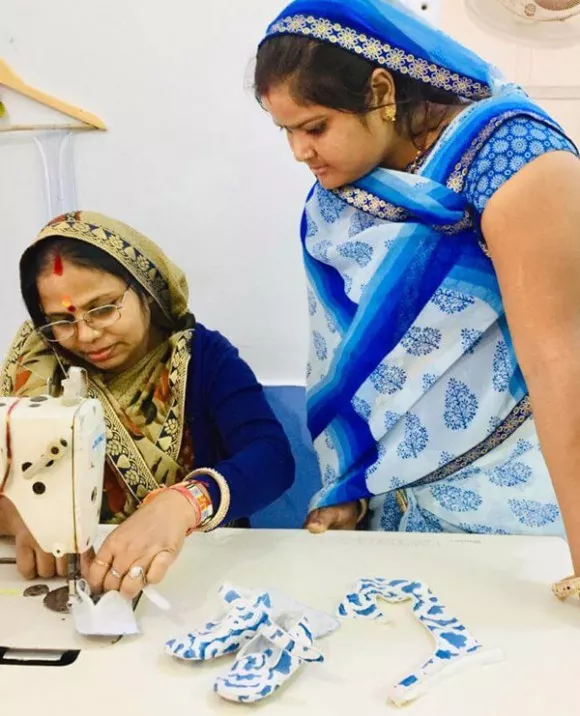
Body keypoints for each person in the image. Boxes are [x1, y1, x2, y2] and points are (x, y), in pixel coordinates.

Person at [254, 0, 580, 575]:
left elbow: (564, 370)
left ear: (381, 92)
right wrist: (348, 485)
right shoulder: (340, 197)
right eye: (285, 131)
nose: (298, 152)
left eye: (314, 127)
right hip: (393, 515)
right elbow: (351, 363)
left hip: (517, 514)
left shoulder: (511, 159)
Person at [0, 211, 294, 598]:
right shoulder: (35, 363)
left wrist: (184, 503)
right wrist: (19, 516)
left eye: (103, 308)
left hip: (192, 580)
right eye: (61, 320)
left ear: (145, 289)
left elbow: (271, 458)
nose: (86, 335)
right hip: (69, 577)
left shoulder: (204, 359)